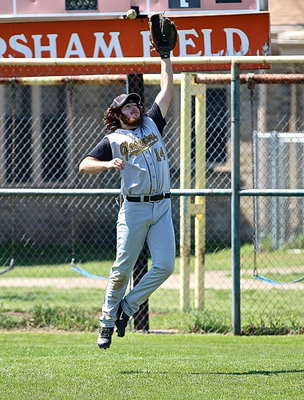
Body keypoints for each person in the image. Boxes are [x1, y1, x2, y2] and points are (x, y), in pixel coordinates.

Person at [79, 57, 175, 349]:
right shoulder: (113, 139)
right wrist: (108, 166)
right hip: (134, 208)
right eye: (128, 107)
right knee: (122, 268)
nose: (135, 108)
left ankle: (126, 307)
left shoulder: (151, 122)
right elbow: (84, 164)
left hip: (162, 207)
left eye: (135, 105)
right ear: (118, 114)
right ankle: (107, 323)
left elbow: (167, 87)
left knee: (165, 266)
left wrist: (166, 59)